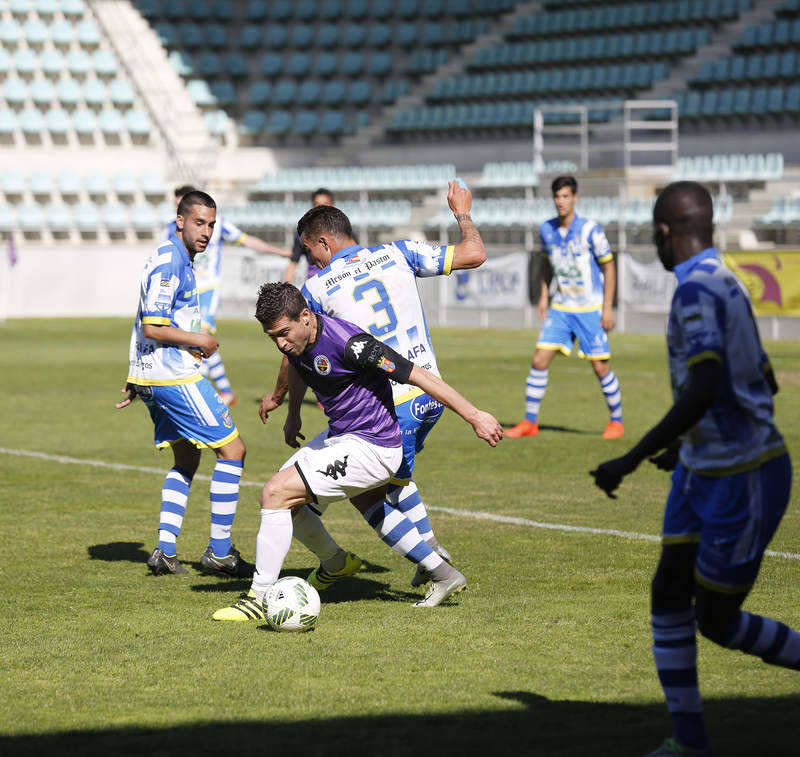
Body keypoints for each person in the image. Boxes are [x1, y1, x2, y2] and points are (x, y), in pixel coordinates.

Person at [591, 181, 796, 757]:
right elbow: (762, 376)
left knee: (716, 619)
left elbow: (706, 385)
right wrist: (686, 447)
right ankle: (690, 740)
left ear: (665, 231)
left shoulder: (697, 291)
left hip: (745, 472)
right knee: (668, 590)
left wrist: (629, 458)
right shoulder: (724, 279)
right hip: (702, 467)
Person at [212, 283, 502, 620]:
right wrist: (292, 413)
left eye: (284, 333)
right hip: (344, 436)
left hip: (374, 446)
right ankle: (439, 574)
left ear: (305, 317)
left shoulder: (353, 344)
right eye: (272, 336)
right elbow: (296, 364)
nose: (280, 343)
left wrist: (475, 416)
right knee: (347, 503)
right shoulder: (298, 342)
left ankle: (259, 598)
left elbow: (418, 375)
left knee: (276, 493)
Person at [262, 181, 486, 592]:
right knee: (394, 482)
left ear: (324, 243)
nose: (310, 258)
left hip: (385, 401)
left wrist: (283, 402)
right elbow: (475, 254)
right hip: (430, 391)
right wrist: (463, 214)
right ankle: (433, 560)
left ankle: (436, 563)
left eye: (310, 250)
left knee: (368, 493)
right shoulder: (399, 252)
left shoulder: (315, 287)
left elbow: (294, 353)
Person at [118, 190, 252, 578]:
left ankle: (164, 550)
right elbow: (152, 324)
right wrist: (201, 340)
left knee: (187, 458)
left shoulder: (175, 257)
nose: (206, 231)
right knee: (233, 450)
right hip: (172, 374)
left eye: (211, 224)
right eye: (199, 222)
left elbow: (145, 317)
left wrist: (134, 374)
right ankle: (221, 553)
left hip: (152, 373)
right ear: (180, 220)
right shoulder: (170, 261)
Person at [506, 175, 623, 439]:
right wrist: (544, 296)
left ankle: (616, 421)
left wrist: (607, 307)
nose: (561, 201)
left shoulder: (591, 230)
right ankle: (530, 422)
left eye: (566, 196)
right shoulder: (546, 229)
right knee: (539, 359)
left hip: (590, 308)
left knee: (600, 367)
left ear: (575, 198)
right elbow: (547, 265)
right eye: (557, 197)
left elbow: (609, 265)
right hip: (561, 308)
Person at [165, 185, 291, 407]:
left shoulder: (218, 223)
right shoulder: (169, 229)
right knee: (192, 340)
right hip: (185, 290)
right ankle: (223, 390)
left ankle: (197, 389)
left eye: (181, 202)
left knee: (200, 335)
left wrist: (278, 251)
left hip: (207, 288)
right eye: (176, 204)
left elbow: (247, 240)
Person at [282, 187, 334, 284]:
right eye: (317, 204)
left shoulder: (344, 232)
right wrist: (286, 289)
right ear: (313, 207)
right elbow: (293, 264)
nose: (321, 208)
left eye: (325, 204)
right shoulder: (303, 234)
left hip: (339, 284)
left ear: (332, 205)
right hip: (314, 285)